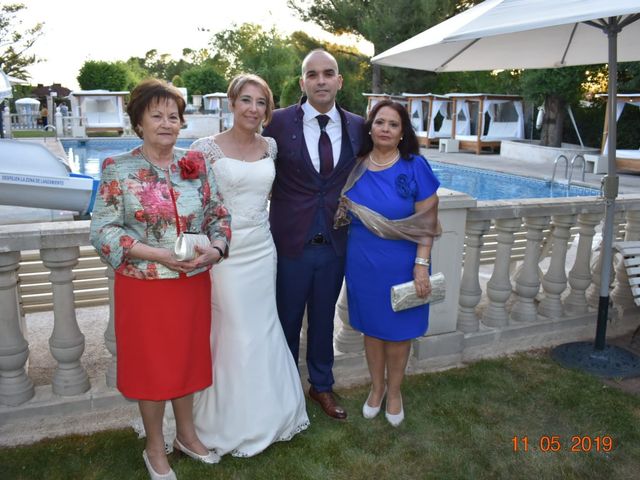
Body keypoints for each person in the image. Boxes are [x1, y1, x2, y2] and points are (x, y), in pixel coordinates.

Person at [90, 79, 231, 480]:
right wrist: (157, 254)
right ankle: (155, 447)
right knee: (151, 369)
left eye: (174, 116)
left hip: (191, 283)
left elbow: (219, 215)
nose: (167, 123)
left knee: (186, 361)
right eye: (157, 115)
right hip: (144, 286)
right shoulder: (118, 168)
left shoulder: (197, 164)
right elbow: (102, 230)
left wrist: (216, 250)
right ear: (138, 122)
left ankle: (187, 435)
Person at [188, 74, 309, 456]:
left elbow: (273, 194)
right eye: (246, 100)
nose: (253, 109)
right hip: (224, 253)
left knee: (263, 326)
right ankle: (224, 423)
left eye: (261, 102)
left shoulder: (270, 147)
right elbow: (195, 203)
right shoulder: (204, 149)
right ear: (232, 103)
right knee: (234, 329)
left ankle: (272, 414)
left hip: (261, 248)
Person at [262, 49, 365, 420]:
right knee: (286, 318)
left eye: (328, 73)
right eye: (312, 74)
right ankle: (285, 390)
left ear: (339, 80)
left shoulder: (358, 125)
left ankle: (321, 386)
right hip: (291, 238)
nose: (321, 80)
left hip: (335, 240)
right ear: (302, 82)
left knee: (323, 318)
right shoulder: (275, 123)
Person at [334, 100, 441, 427]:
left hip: (403, 262)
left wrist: (421, 264)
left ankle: (394, 392)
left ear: (402, 132)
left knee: (398, 333)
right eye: (380, 122)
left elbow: (428, 219)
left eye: (393, 124)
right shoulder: (357, 166)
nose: (385, 129)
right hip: (363, 263)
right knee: (372, 330)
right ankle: (376, 389)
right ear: (370, 127)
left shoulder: (414, 167)